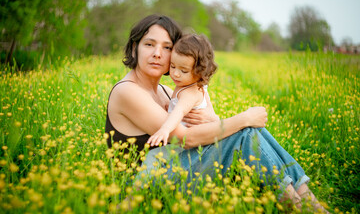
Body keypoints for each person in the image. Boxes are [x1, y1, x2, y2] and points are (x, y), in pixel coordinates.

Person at [105, 14, 329, 212]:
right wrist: (244, 119)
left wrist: (222, 121)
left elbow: (205, 127)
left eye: (166, 47)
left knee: (249, 133)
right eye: (149, 44)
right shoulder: (128, 92)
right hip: (146, 190)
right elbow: (185, 138)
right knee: (246, 133)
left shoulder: (166, 91)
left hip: (176, 170)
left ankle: (312, 206)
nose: (157, 54)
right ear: (134, 47)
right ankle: (300, 209)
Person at [147, 34, 218, 147]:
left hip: (191, 146)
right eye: (173, 66)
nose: (175, 74)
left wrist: (165, 129)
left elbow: (179, 111)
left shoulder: (190, 92)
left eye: (184, 71)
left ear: (200, 72)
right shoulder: (192, 86)